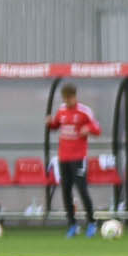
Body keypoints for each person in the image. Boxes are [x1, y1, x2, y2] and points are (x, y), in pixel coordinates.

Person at [45, 83, 101, 237]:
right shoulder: (61, 110)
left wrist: (88, 129)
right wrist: (50, 123)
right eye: (65, 98)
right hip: (63, 158)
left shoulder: (84, 111)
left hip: (78, 158)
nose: (67, 101)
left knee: (82, 190)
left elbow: (98, 129)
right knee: (66, 192)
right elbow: (56, 126)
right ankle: (72, 225)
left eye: (69, 98)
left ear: (75, 97)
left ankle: (92, 222)